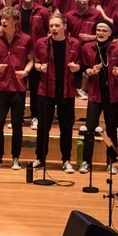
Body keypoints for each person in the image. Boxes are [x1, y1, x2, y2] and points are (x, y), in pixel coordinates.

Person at [0, 7, 33, 170]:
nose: (3, 21)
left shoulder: (26, 39)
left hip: (18, 87)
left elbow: (31, 60)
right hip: (0, 86)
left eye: (6, 19)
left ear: (15, 21)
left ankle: (15, 158)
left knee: (16, 124)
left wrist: (26, 71)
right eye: (2, 19)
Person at [33, 16, 81, 172]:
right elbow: (36, 62)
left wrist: (76, 67)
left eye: (57, 25)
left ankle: (66, 160)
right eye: (51, 26)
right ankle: (40, 158)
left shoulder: (74, 43)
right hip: (46, 90)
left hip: (66, 91)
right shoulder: (42, 43)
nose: (53, 28)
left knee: (66, 128)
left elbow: (81, 63)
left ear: (64, 26)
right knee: (43, 127)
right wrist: (40, 68)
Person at [79, 20, 118, 175]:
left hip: (112, 95)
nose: (100, 33)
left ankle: (111, 162)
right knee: (89, 128)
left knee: (111, 131)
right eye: (98, 30)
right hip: (95, 94)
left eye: (104, 30)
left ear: (110, 33)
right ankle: (86, 161)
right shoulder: (87, 47)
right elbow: (84, 67)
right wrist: (90, 71)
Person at [14, 0, 52, 130]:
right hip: (19, 54)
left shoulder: (43, 11)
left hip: (37, 56)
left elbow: (49, 32)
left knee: (36, 88)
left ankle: (36, 116)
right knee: (18, 88)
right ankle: (19, 116)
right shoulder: (15, 10)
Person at [67, 0, 102, 100]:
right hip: (75, 49)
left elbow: (105, 33)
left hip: (92, 49)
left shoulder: (96, 15)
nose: (84, 0)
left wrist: (91, 37)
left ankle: (93, 91)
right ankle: (77, 89)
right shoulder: (69, 15)